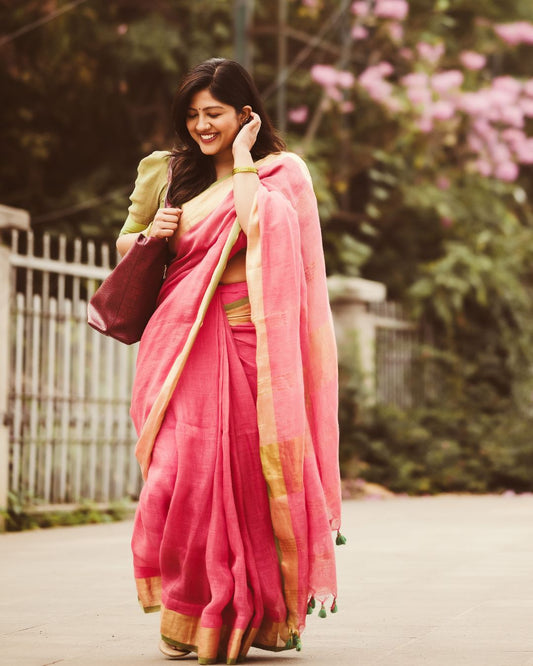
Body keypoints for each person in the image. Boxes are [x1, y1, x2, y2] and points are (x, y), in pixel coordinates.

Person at [117, 58, 342, 664]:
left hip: (250, 344)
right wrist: (152, 234)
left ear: (245, 113)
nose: (199, 126)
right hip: (182, 342)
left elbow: (259, 225)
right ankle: (187, 608)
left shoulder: (280, 172)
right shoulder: (169, 174)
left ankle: (238, 619)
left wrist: (242, 158)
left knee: (241, 483)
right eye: (191, 115)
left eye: (212, 114)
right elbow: (126, 247)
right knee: (175, 477)